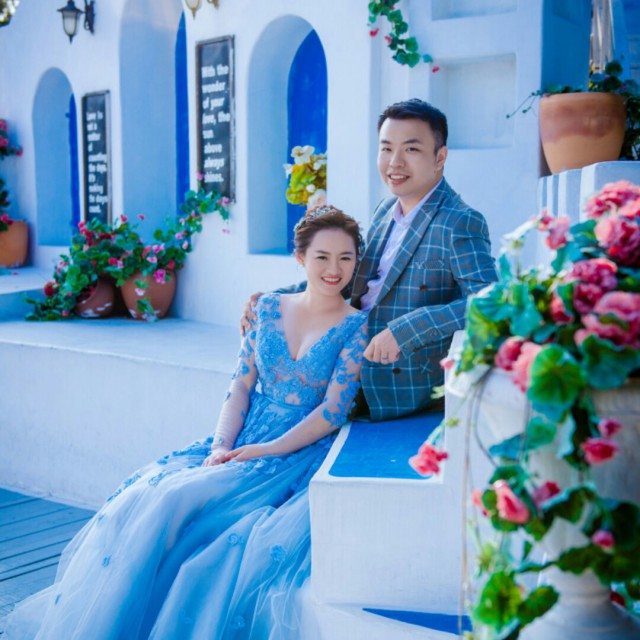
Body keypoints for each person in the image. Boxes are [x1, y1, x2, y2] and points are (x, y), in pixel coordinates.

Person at [5, 207, 367, 640]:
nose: (333, 269)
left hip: (295, 453)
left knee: (195, 512)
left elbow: (332, 411)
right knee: (148, 496)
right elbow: (240, 386)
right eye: (322, 256)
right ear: (301, 258)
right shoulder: (267, 307)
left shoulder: (356, 326)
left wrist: (264, 451)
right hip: (240, 437)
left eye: (345, 258)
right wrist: (220, 446)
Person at [242, 99, 498, 421]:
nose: (395, 162)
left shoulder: (459, 221)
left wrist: (407, 330)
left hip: (395, 390)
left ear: (440, 157)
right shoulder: (385, 210)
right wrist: (276, 298)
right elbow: (350, 278)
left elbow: (491, 302)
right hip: (343, 364)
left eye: (411, 149)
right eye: (386, 148)